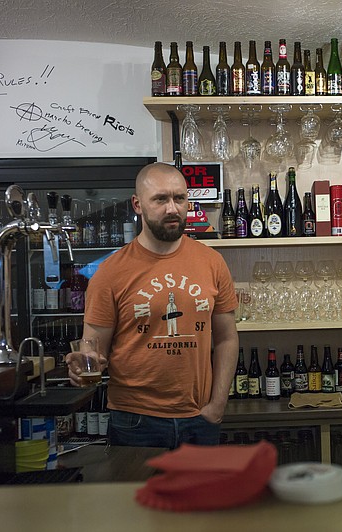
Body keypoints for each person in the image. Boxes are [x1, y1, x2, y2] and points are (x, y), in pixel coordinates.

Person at [65, 162, 239, 448]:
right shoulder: (110, 271)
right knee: (139, 495)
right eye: (160, 199)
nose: (172, 208)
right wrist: (84, 364)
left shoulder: (211, 262)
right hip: (135, 421)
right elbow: (92, 348)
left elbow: (227, 338)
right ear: (137, 204)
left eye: (179, 198)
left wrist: (217, 404)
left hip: (200, 417)